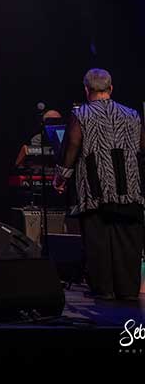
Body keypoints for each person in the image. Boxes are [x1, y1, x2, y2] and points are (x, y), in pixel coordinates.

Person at [54, 68, 144, 301]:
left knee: (98, 241)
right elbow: (141, 147)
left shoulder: (81, 114)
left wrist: (61, 177)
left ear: (87, 90)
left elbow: (72, 146)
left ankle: (104, 289)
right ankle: (127, 289)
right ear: (110, 88)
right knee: (128, 240)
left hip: (95, 189)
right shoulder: (132, 114)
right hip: (129, 188)